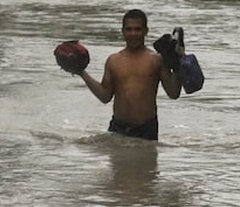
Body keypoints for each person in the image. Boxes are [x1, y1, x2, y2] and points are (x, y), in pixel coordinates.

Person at [77, 8, 181, 141]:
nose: (133, 33)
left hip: (146, 129)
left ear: (146, 31)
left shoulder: (157, 59)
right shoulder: (113, 60)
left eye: (137, 29)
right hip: (118, 128)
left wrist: (177, 67)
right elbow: (105, 96)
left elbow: (173, 93)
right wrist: (82, 72)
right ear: (123, 31)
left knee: (145, 162)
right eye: (129, 29)